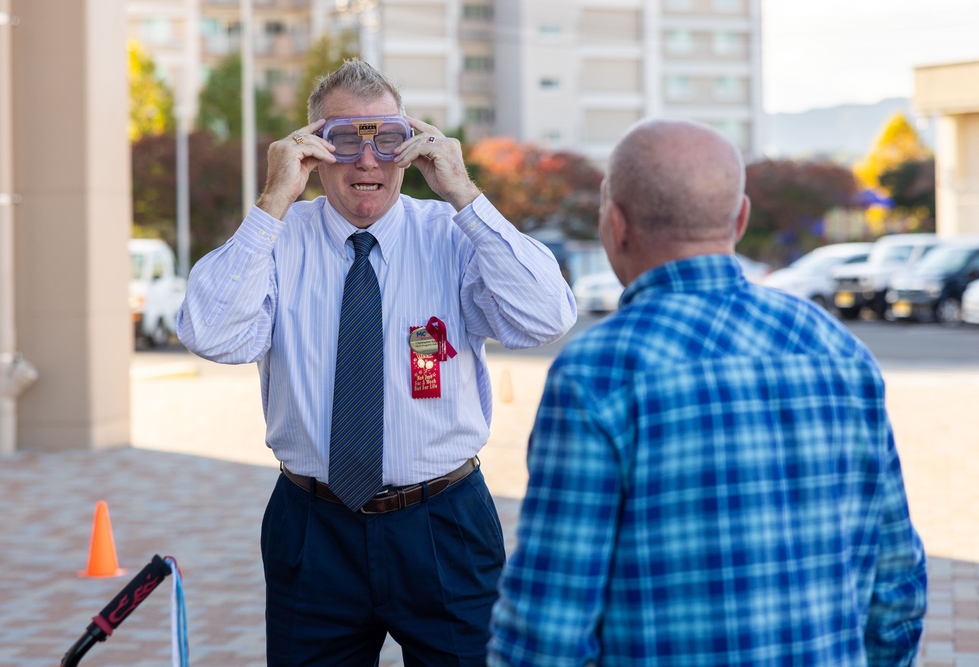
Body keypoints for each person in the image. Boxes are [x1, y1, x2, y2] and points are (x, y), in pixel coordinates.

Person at [176, 59, 576, 666]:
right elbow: (211, 334)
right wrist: (272, 201)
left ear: (409, 147)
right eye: (343, 140)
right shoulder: (279, 241)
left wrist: (466, 194)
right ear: (310, 152)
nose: (367, 161)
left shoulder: (451, 233)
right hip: (313, 526)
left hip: (444, 523)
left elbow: (546, 317)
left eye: (386, 139)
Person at [488, 119, 927, 666]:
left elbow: (547, 628)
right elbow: (897, 587)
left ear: (615, 224)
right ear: (740, 218)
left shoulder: (599, 372)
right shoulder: (839, 350)